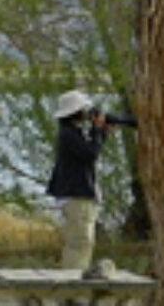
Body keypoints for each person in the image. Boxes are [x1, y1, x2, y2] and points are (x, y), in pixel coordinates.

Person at [47, 90, 110, 270]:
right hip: (76, 196)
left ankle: (73, 290)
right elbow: (90, 154)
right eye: (84, 108)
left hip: (75, 195)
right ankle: (72, 291)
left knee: (81, 244)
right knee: (80, 243)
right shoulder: (69, 134)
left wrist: (101, 134)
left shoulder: (71, 133)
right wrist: (97, 131)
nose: (88, 112)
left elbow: (89, 151)